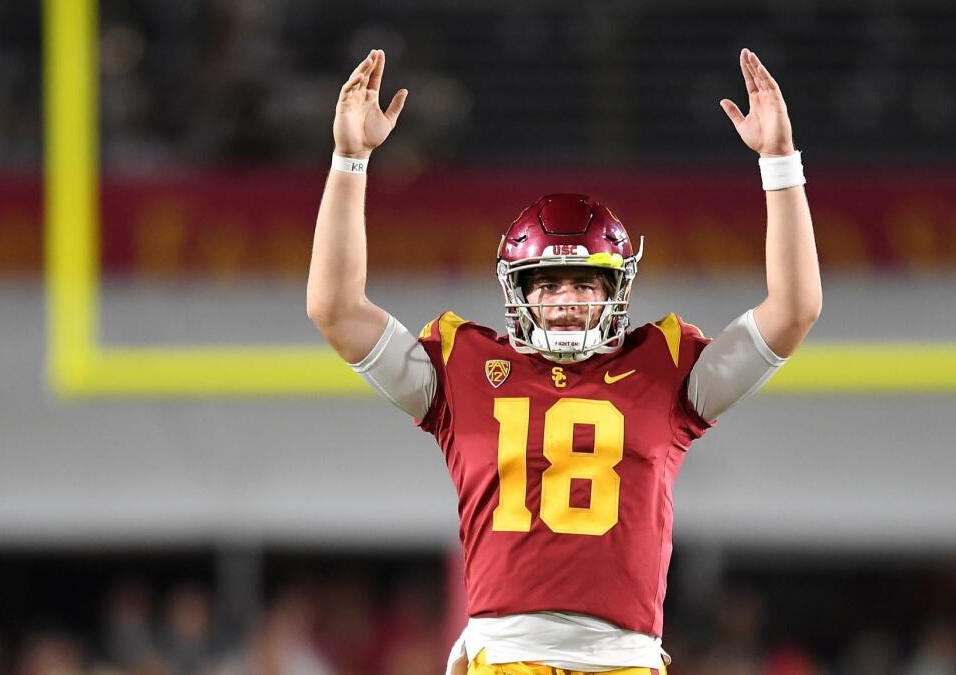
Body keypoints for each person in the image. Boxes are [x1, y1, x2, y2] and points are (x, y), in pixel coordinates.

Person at [307, 47, 822, 675]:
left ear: (616, 290)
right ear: (517, 291)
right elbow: (334, 309)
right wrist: (348, 161)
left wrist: (778, 163)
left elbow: (794, 310)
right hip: (505, 658)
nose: (566, 301)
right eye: (547, 284)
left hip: (624, 662)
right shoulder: (465, 366)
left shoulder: (663, 366)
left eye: (584, 283)